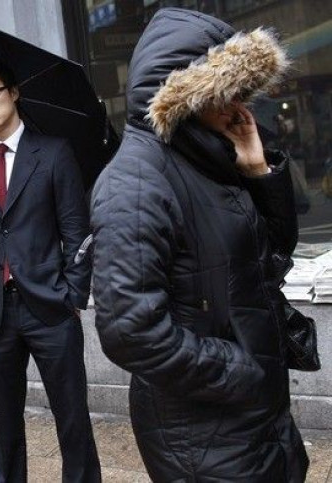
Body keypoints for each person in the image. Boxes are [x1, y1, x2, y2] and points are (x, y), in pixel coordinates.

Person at [90, 8, 308, 482]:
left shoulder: (207, 158)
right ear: (184, 93)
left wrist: (258, 173)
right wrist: (240, 372)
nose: (238, 106)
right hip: (204, 432)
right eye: (226, 92)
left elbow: (270, 256)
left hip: (252, 416)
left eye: (242, 92)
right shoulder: (137, 182)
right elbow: (130, 331)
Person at [0, 59, 101, 482]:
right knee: (4, 425)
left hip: (50, 305)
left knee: (72, 417)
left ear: (13, 93)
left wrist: (73, 295)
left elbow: (78, 232)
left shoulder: (53, 152)